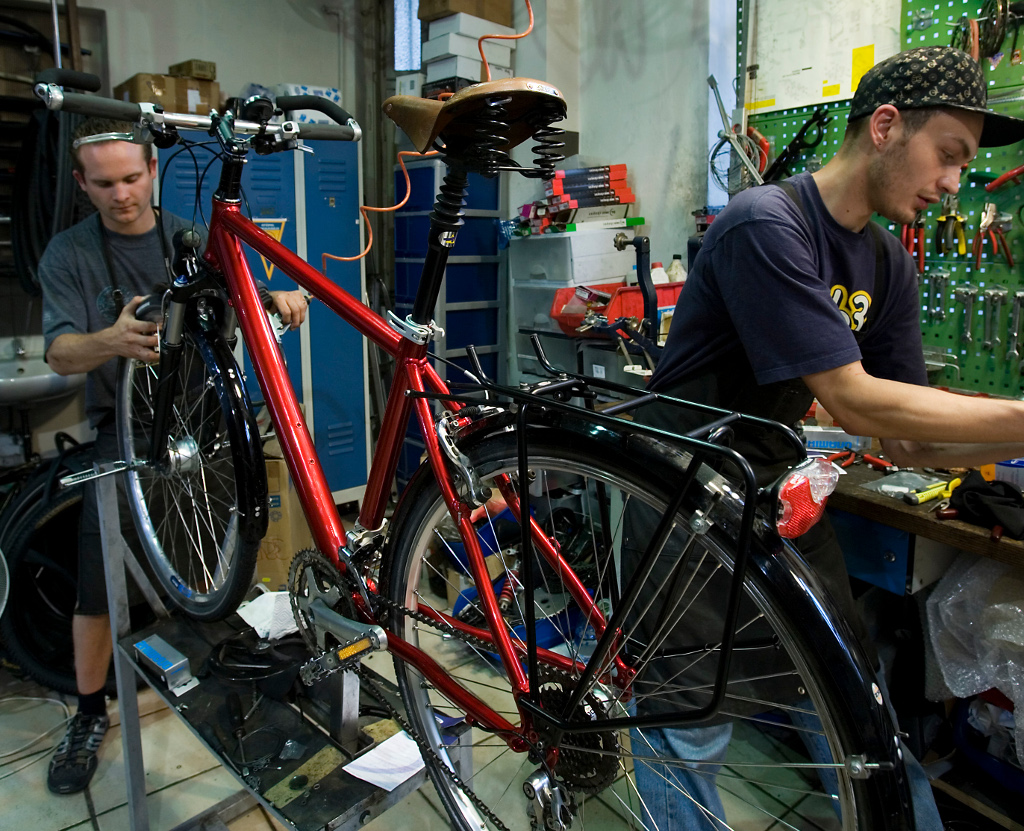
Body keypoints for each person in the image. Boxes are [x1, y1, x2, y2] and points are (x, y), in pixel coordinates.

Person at [630, 45, 1024, 829]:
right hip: (684, 479)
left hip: (774, 484)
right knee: (689, 721)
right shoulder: (764, 223)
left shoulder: (886, 260)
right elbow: (852, 398)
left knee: (855, 696)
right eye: (948, 156)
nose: (954, 184)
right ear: (885, 126)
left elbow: (905, 439)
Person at [40, 118, 309, 795]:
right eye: (104, 184)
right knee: (99, 583)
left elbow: (233, 302)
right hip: (125, 433)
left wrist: (270, 297)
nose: (122, 194)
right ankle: (87, 711)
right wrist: (110, 338)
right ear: (82, 184)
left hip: (204, 425)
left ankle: (230, 676)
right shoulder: (69, 253)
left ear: (152, 172)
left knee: (220, 560)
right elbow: (59, 352)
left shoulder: (190, 236)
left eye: (132, 178)